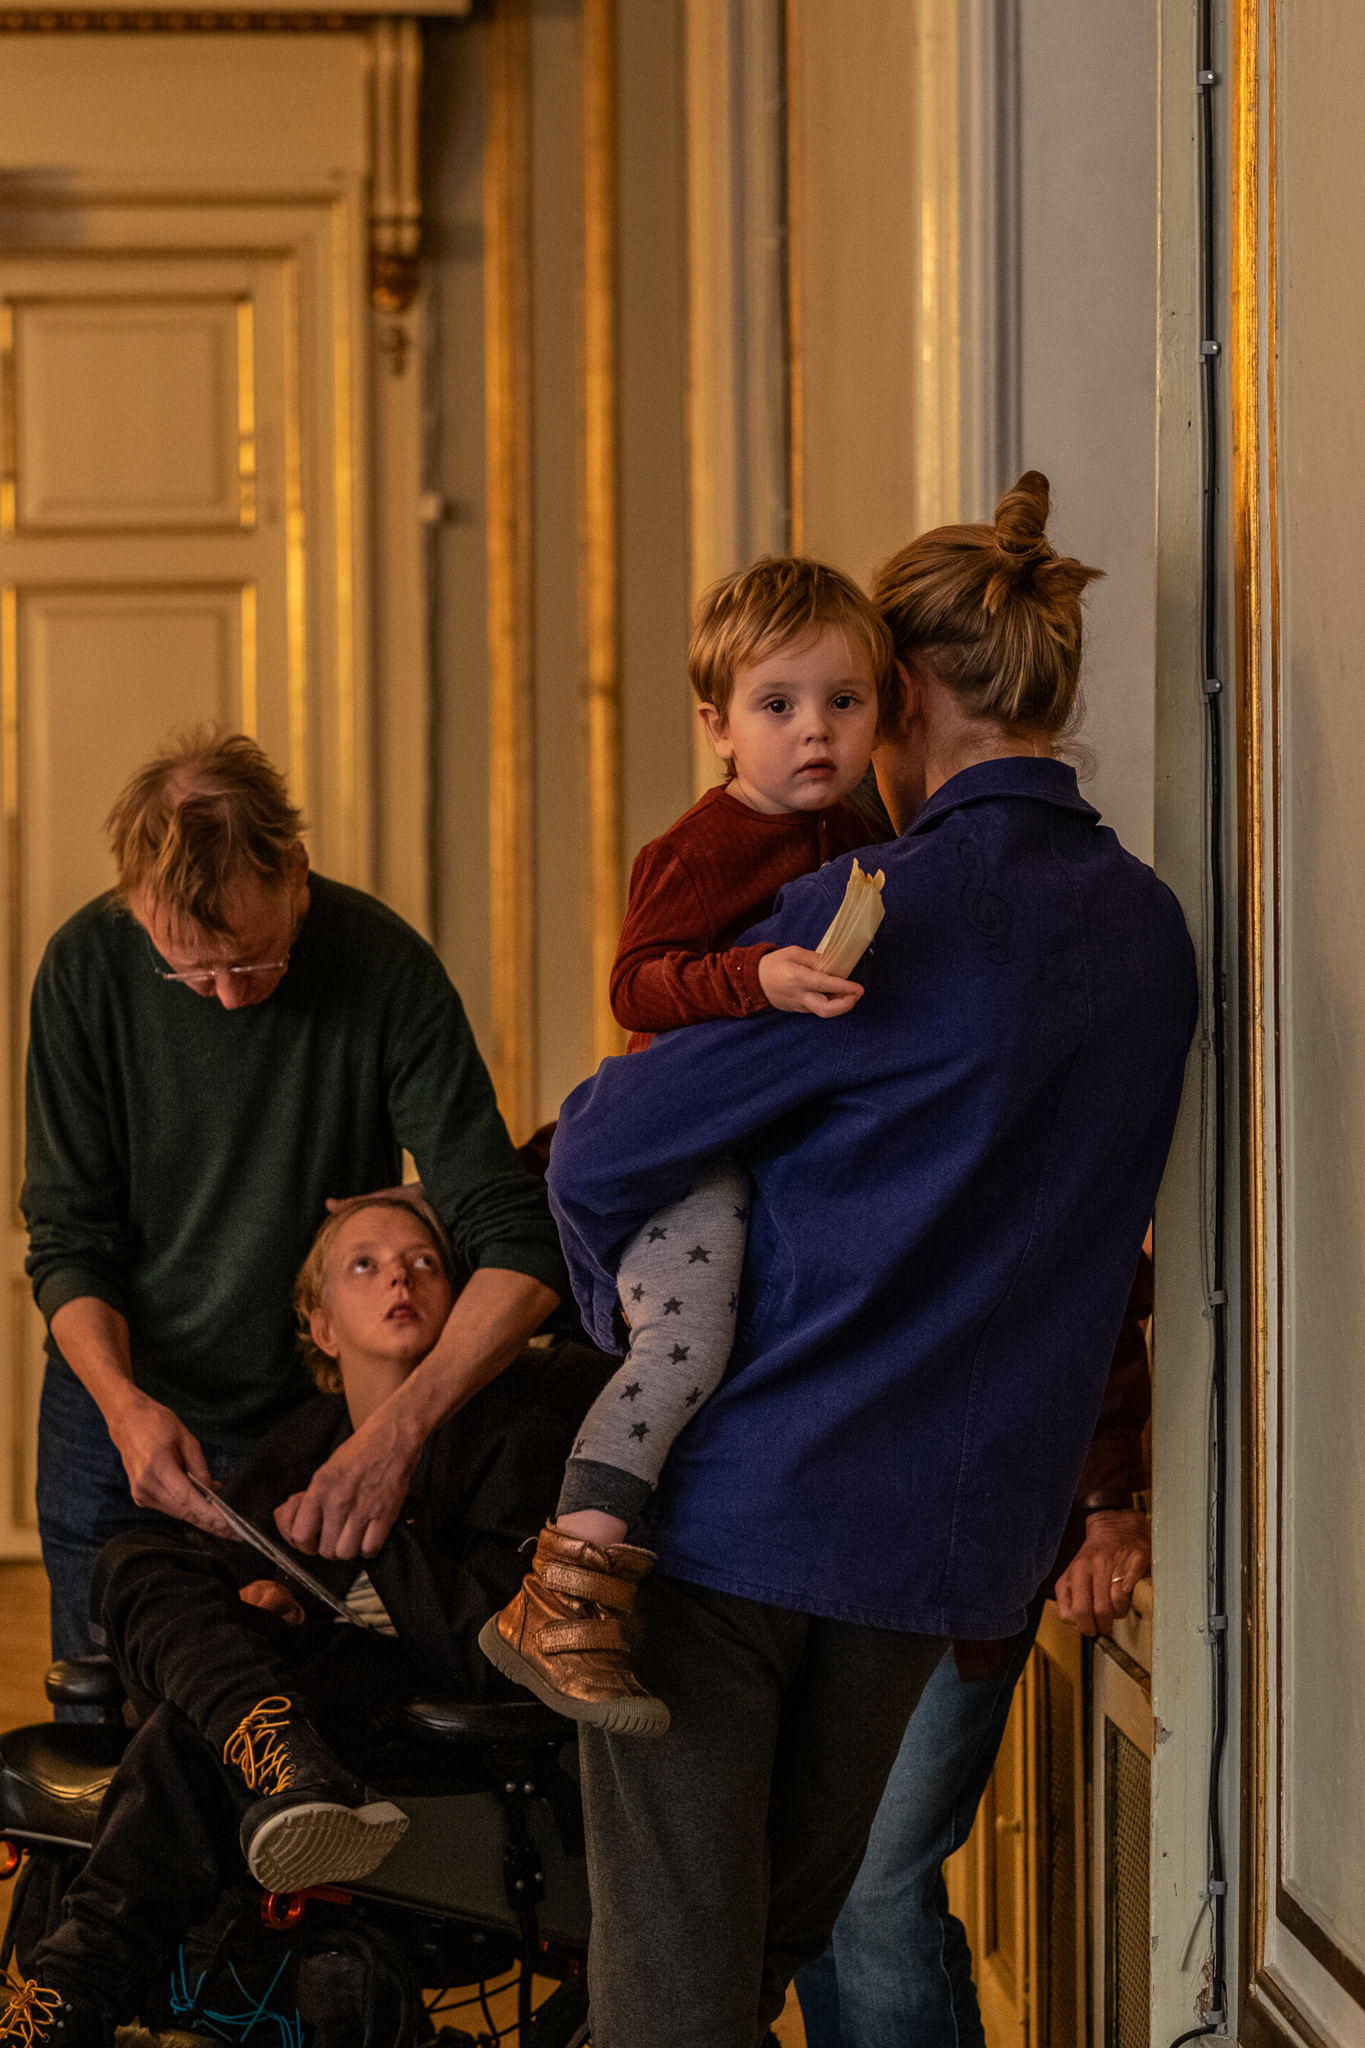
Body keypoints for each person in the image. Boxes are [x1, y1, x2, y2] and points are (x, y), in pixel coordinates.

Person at [542, 472, 1199, 2046]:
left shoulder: (867, 908)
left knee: (674, 2002)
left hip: (743, 1521)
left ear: (900, 694)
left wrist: (647, 1336)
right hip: (949, 1552)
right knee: (771, 1951)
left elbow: (599, 1150)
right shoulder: (1152, 933)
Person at [0, 1194, 605, 2048]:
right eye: (365, 1265)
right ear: (322, 1326)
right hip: (285, 1701)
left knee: (207, 1719)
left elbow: (501, 1649)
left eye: (425, 1263)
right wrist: (254, 1601)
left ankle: (72, 1985)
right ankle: (277, 1751)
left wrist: (370, 1537)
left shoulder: (516, 1433)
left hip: (410, 1717)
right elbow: (204, 1594)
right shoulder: (302, 1438)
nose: (399, 1277)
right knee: (136, 1559)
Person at [23, 729, 566, 1678]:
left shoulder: (383, 965)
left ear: (296, 875)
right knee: (99, 1701)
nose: (229, 1000)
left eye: (252, 962)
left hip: (305, 1425)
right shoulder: (84, 969)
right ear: (135, 904)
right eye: (189, 971)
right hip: (117, 1412)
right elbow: (70, 1239)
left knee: (276, 1708)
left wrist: (394, 1434)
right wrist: (120, 1403)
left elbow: (516, 1241)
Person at [482, 557, 894, 1735]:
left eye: (845, 702)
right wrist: (754, 977)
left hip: (768, 1143)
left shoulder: (861, 830)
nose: (815, 730)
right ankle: (565, 1580)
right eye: (778, 705)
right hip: (685, 1149)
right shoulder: (698, 846)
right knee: (683, 1345)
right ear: (717, 724)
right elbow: (638, 982)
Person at [795, 1247, 1154, 2047]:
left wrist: (1109, 1502)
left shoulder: (1002, 1170)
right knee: (814, 1885)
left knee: (877, 1889)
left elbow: (1089, 1285)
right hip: (801, 1552)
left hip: (953, 1554)